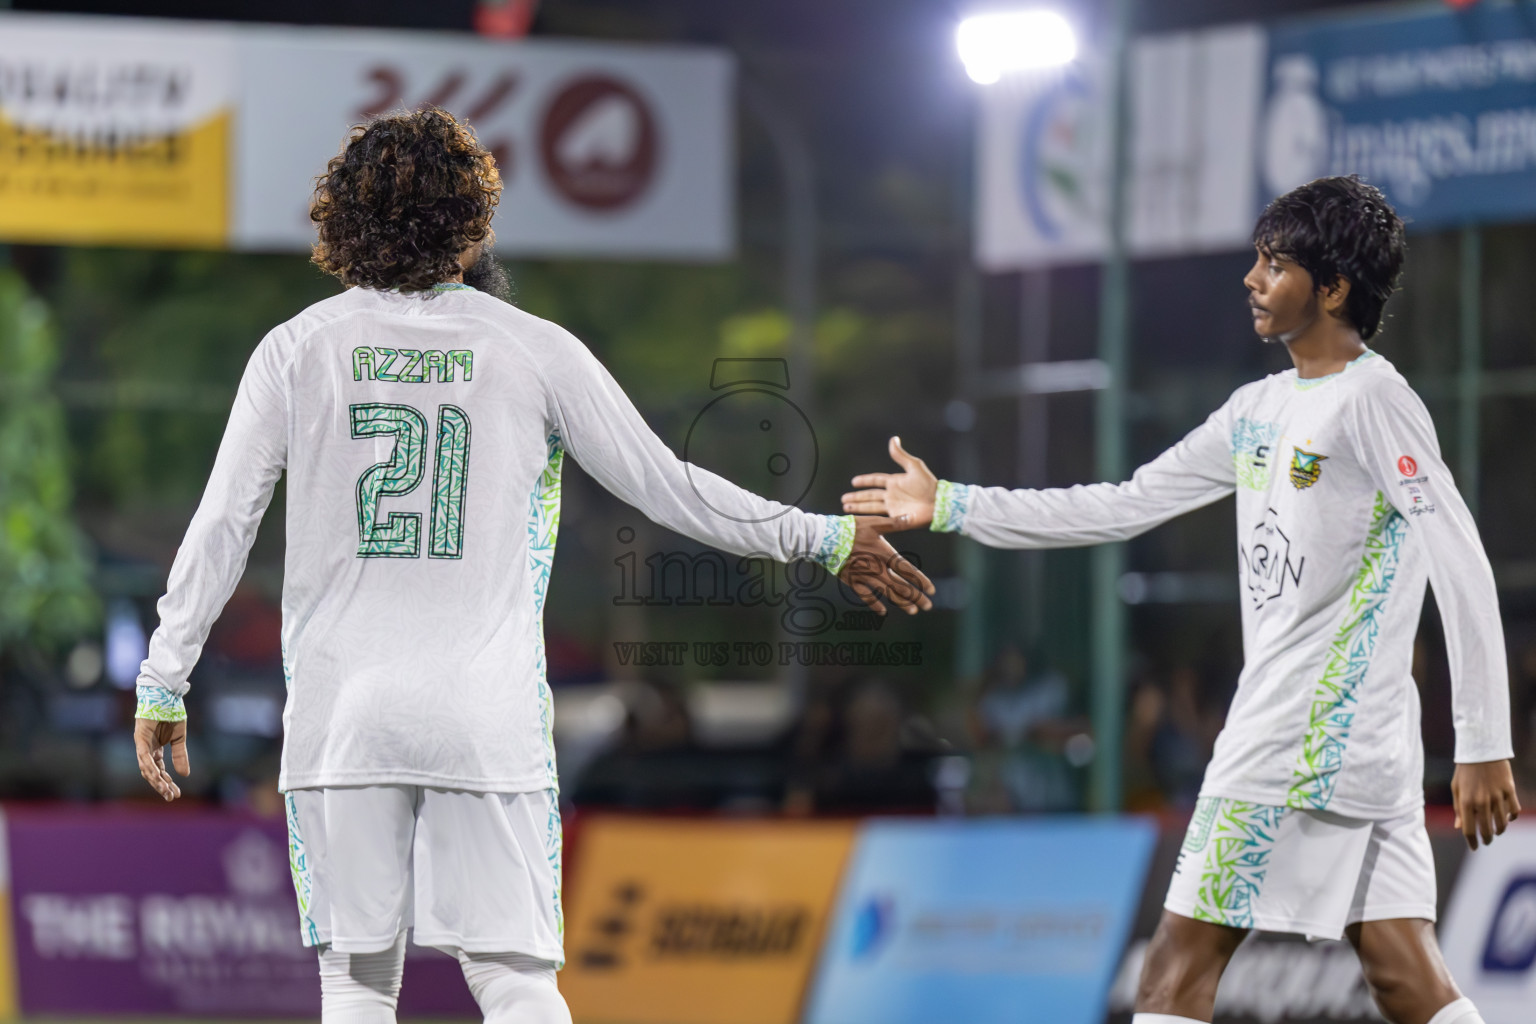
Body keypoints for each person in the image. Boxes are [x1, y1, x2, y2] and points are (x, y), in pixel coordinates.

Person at [131, 107, 933, 1024]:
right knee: (513, 983)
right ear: (473, 226)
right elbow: (669, 487)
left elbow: (221, 527)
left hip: (341, 716)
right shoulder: (534, 347)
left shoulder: (295, 349)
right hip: (486, 713)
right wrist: (821, 537)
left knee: (356, 983)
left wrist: (164, 681)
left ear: (342, 222)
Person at [842, 175, 1517, 1024]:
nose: (1252, 278)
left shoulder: (1374, 401)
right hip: (1358, 752)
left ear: (1335, 288)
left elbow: (1460, 557)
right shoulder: (1257, 411)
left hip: (1289, 744)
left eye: (1276, 263)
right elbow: (1120, 503)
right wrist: (953, 504)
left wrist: (1483, 742)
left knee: (1172, 975)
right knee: (1403, 975)